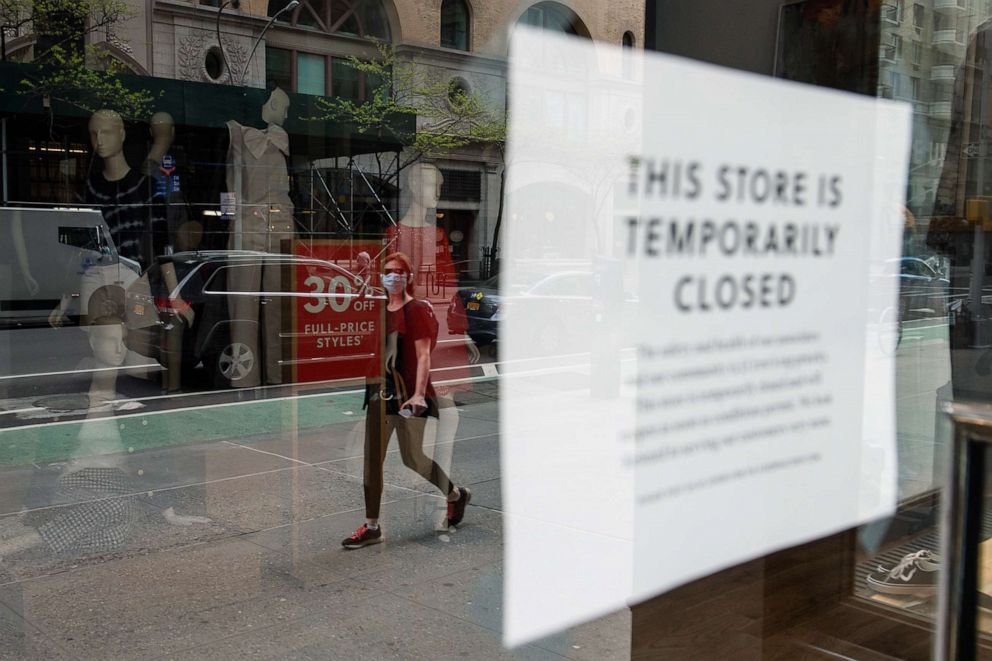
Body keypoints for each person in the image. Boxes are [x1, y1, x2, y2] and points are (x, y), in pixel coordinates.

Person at [342, 251, 471, 549]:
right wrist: (362, 270)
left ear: (409, 277)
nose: (393, 276)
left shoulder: (417, 311)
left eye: (400, 271)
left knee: (413, 459)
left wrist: (417, 395)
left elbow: (424, 355)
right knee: (372, 459)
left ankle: (455, 495)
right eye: (388, 271)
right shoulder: (381, 305)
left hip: (410, 392)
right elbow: (358, 303)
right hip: (379, 389)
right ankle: (372, 526)